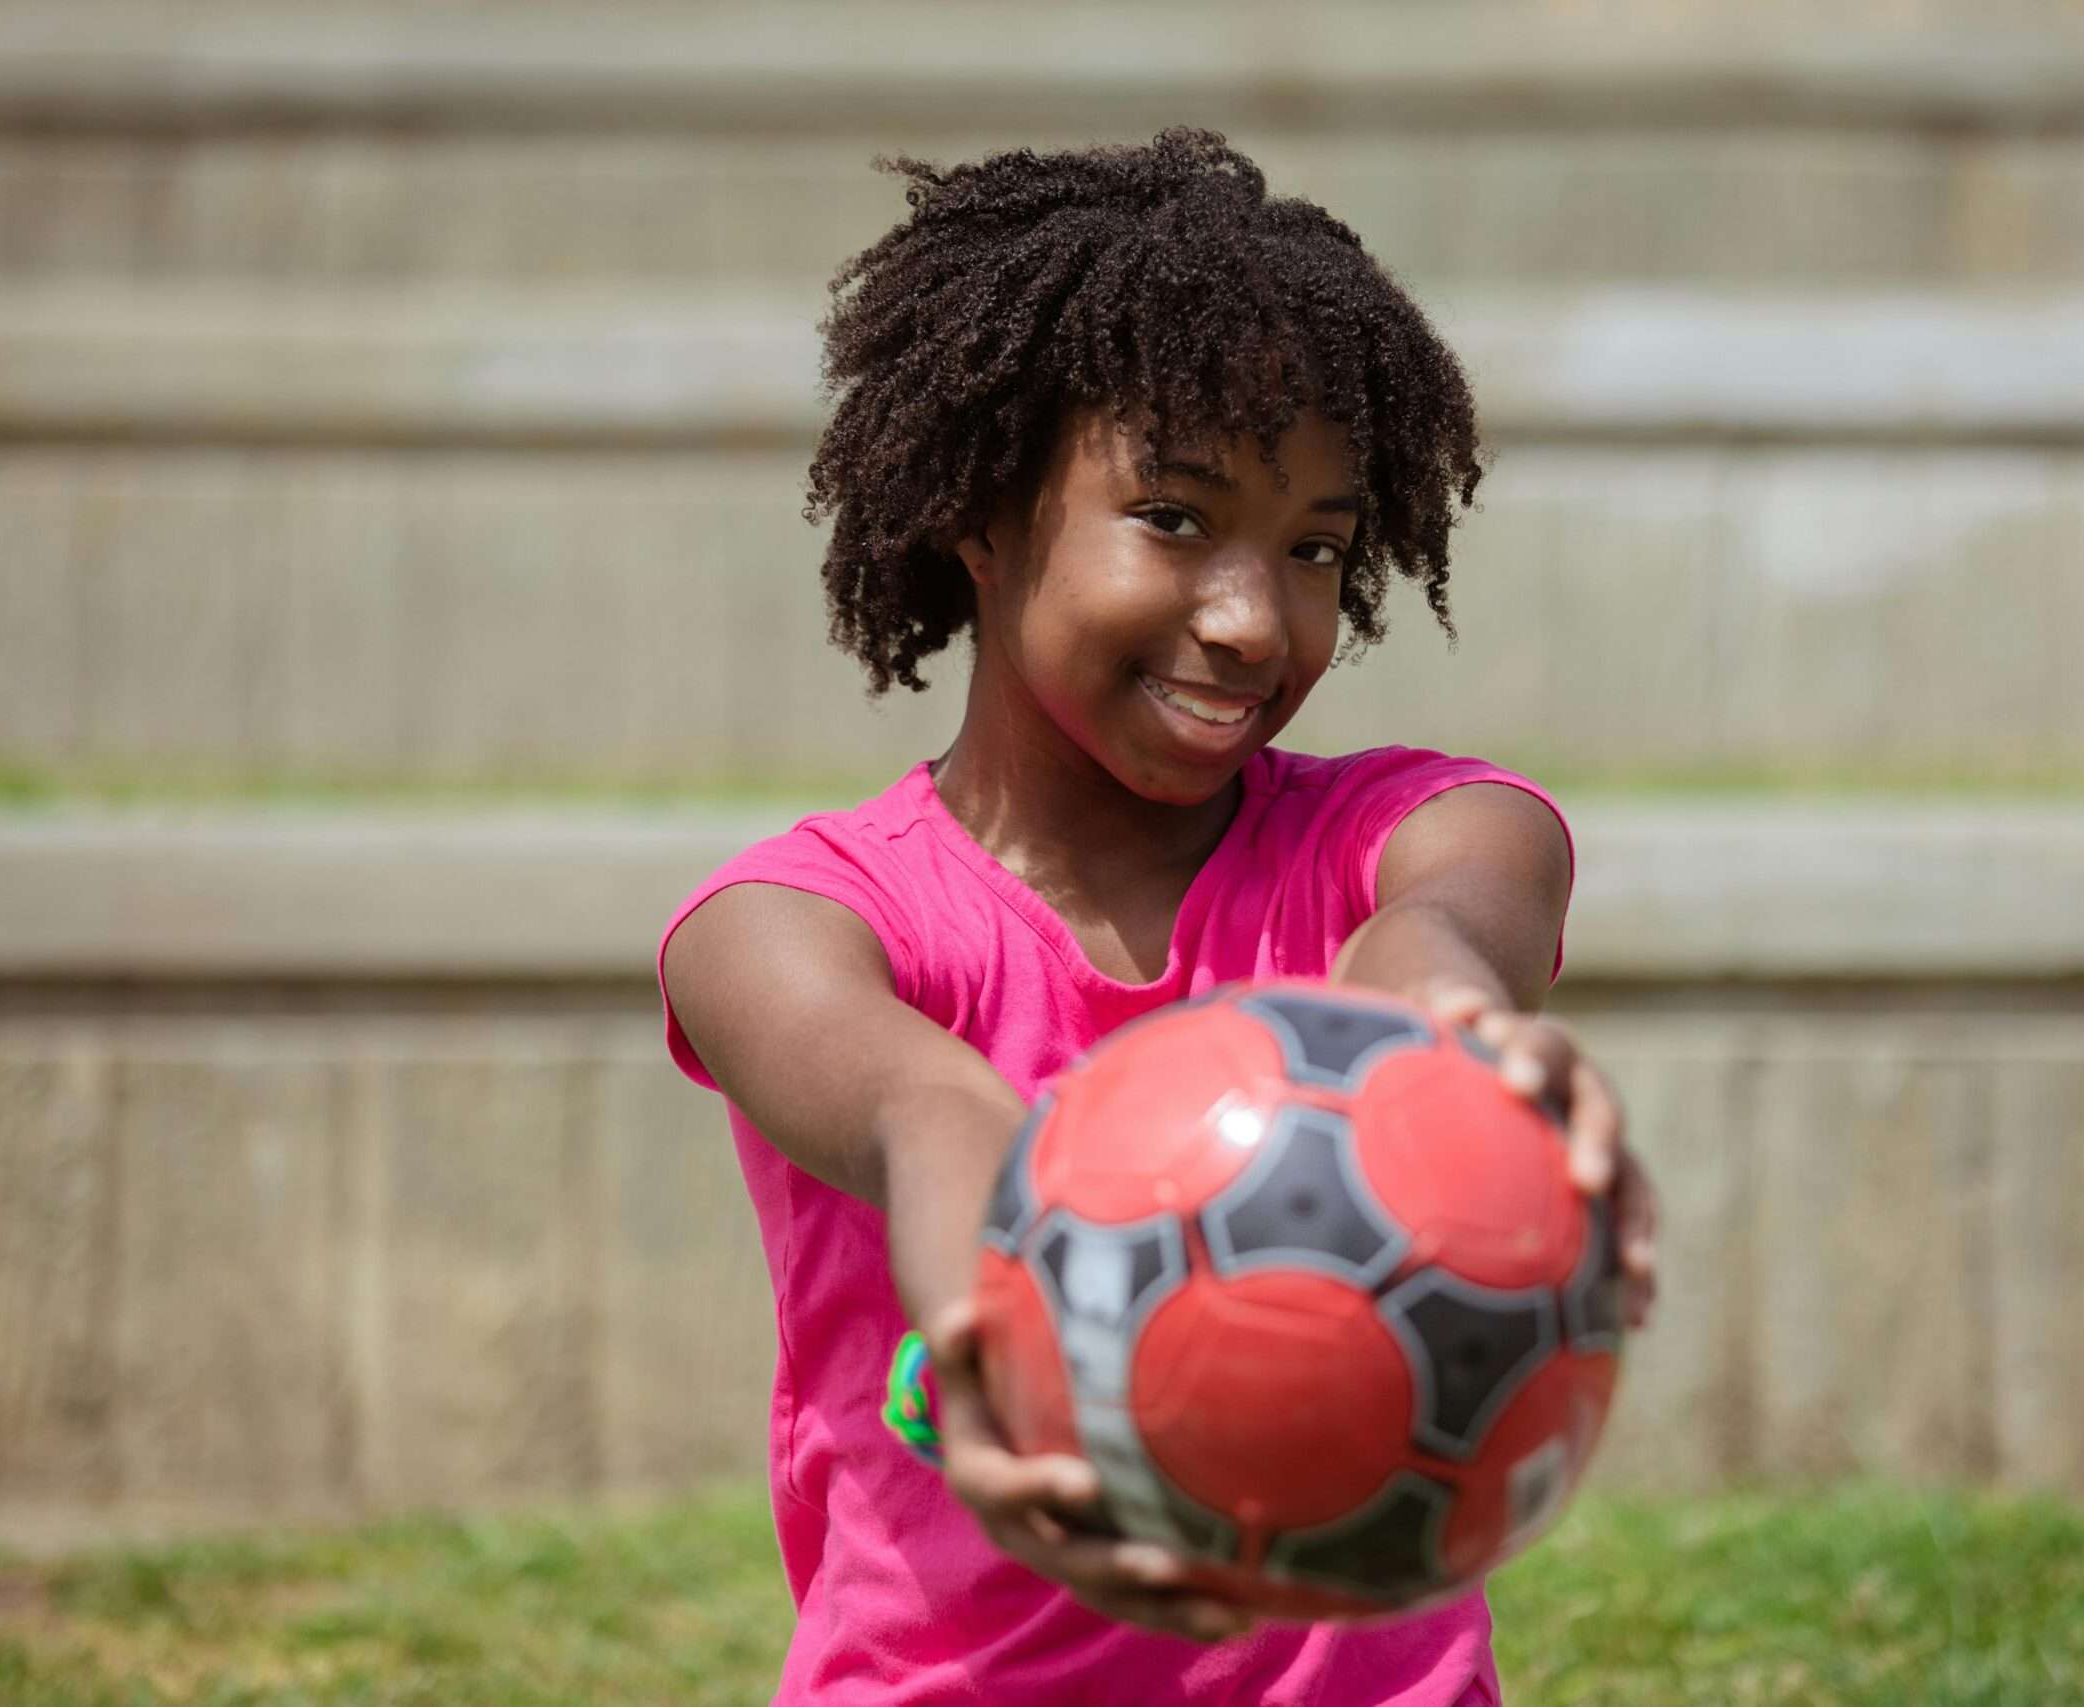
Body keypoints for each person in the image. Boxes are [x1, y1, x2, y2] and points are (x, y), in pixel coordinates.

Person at [658, 128, 1658, 1707]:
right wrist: (1010, 1336)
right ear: (979, 513)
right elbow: (929, 1108)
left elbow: (1440, 939)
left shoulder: (1427, 828)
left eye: (1316, 545)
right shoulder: (790, 928)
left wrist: (1450, 1035)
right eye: (1176, 520)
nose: (1255, 619)